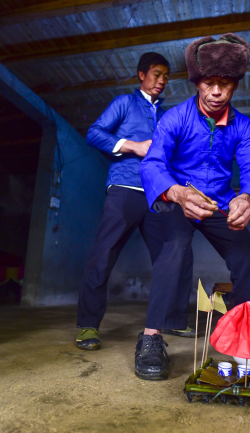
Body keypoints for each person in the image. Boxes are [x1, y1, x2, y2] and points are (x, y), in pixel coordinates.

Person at [136, 33, 250, 379]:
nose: (216, 92)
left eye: (225, 84)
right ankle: (151, 339)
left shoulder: (244, 127)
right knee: (175, 248)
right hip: (180, 199)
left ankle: (243, 341)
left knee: (249, 257)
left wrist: (247, 197)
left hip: (220, 203)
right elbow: (152, 164)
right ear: (197, 83)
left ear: (235, 86)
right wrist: (177, 193)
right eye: (209, 83)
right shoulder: (175, 118)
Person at [76, 53, 193, 353]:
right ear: (141, 75)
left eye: (166, 76)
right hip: (125, 189)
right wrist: (133, 146)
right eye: (156, 74)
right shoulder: (124, 104)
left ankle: (172, 319)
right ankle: (88, 325)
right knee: (103, 254)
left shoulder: (169, 115)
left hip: (159, 195)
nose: (162, 80)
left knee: (178, 250)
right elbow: (94, 133)